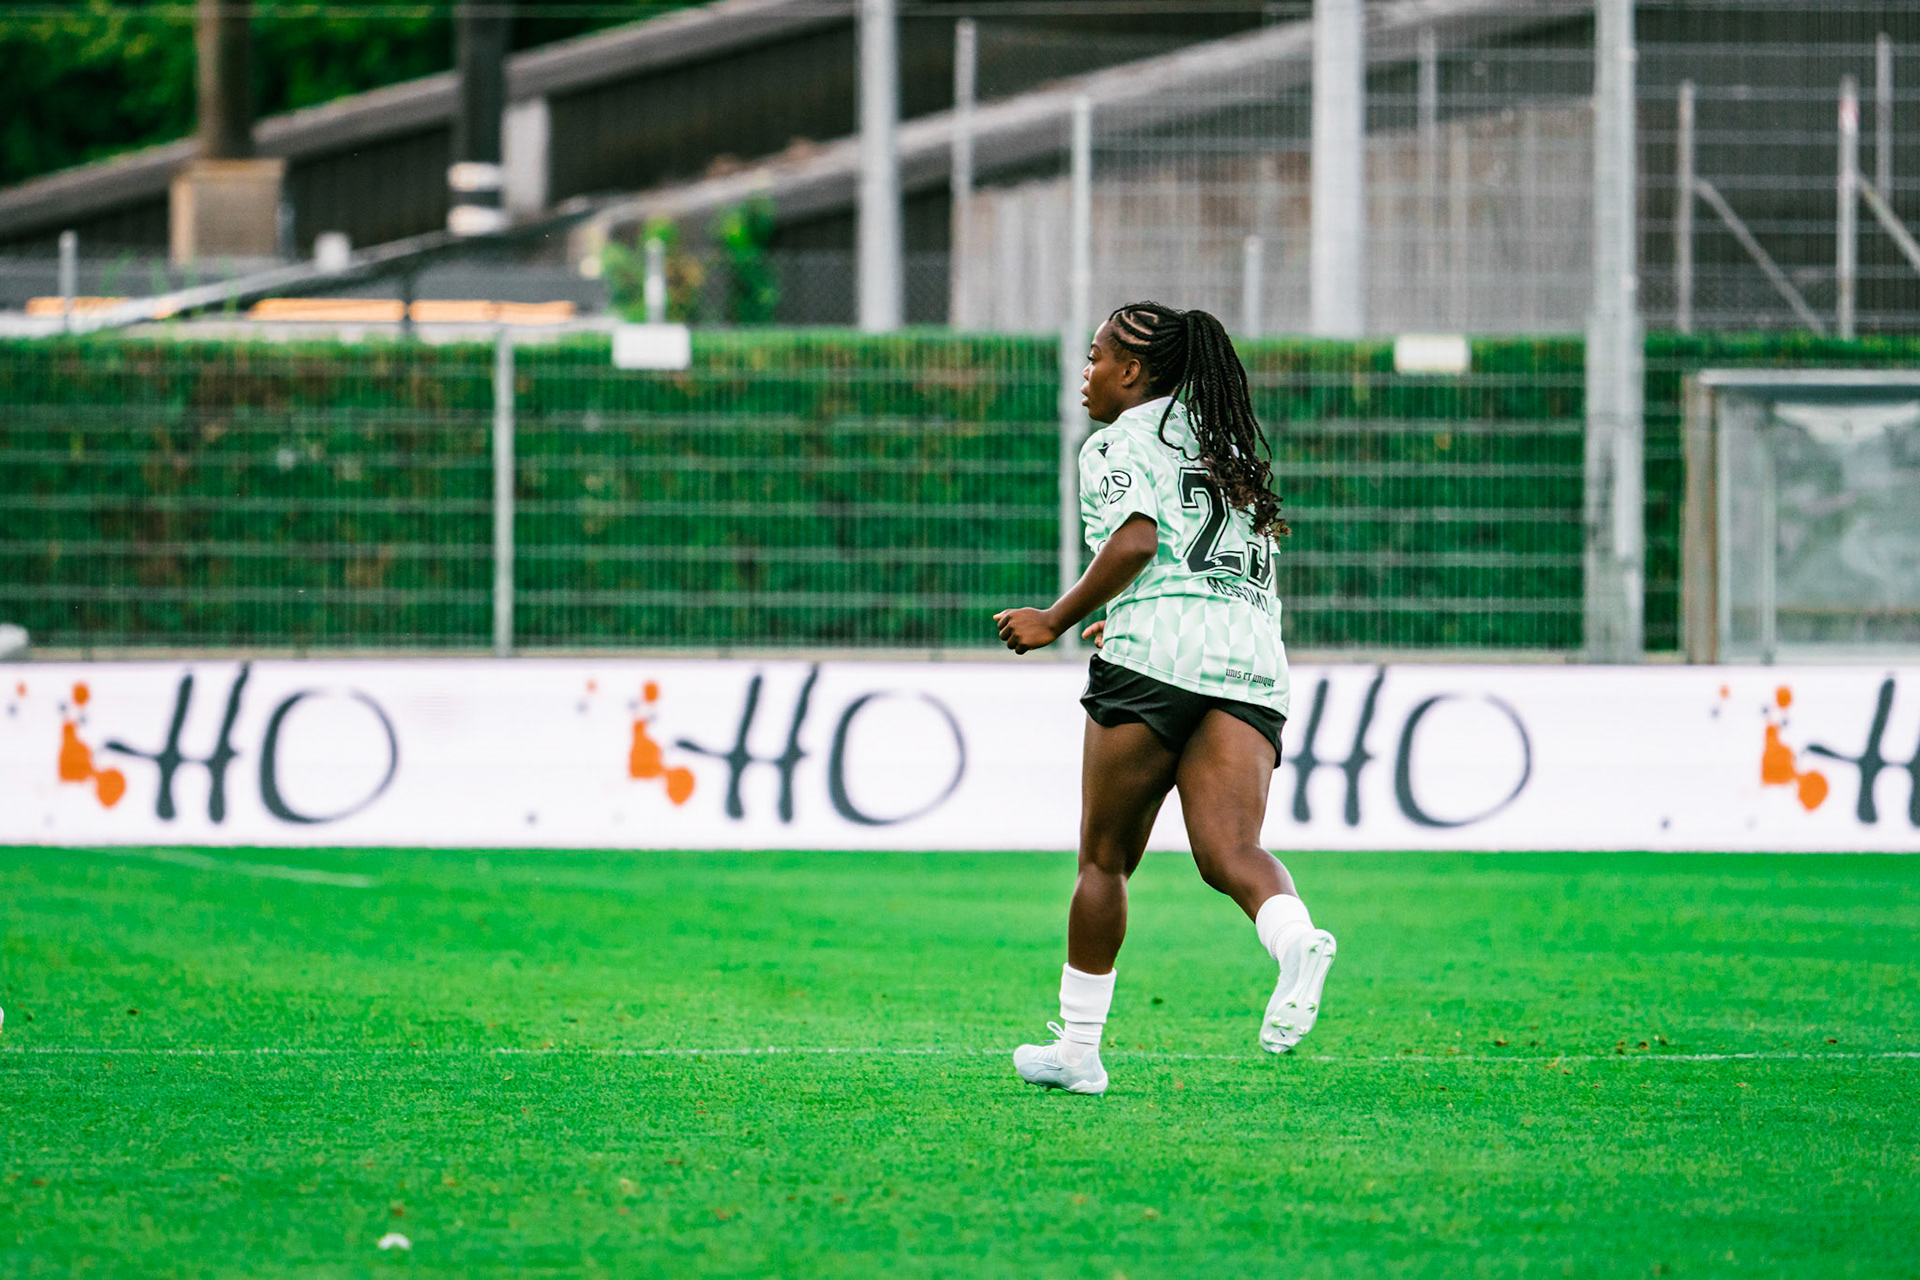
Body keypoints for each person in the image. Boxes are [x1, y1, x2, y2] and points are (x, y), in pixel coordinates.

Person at [993, 301, 1335, 1096]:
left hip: (1156, 660)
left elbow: (1140, 539)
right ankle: (1295, 940)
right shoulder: (1229, 452)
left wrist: (1057, 617)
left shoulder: (1118, 440)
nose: (1086, 373)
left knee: (1105, 860)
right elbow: (1204, 567)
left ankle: (1078, 1051)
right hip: (1250, 662)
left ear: (1134, 372)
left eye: (1096, 357)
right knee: (1231, 853)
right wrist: (1122, 612)